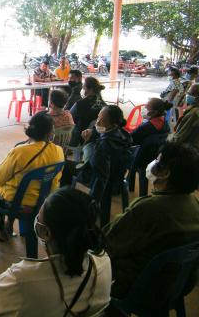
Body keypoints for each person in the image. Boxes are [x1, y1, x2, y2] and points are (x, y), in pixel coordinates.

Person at [0, 187, 112, 317]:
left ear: (47, 233)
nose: (36, 220)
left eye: (39, 219)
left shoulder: (22, 278)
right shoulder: (103, 262)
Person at [104, 142, 199, 298]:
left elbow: (108, 241)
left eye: (158, 160)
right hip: (178, 284)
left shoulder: (148, 208)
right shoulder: (195, 204)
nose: (153, 164)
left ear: (166, 172)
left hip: (139, 286)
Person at [0, 112, 64, 241]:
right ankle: (9, 225)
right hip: (42, 201)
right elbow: (55, 181)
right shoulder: (58, 151)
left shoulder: (19, 151)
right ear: (50, 132)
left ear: (30, 129)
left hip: (18, 204)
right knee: (16, 187)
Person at [79, 105, 133, 226]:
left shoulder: (102, 147)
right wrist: (94, 133)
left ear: (112, 124)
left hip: (102, 180)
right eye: (98, 117)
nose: (97, 121)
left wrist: (93, 202)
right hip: (118, 175)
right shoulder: (124, 134)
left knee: (67, 169)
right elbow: (107, 136)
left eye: (101, 119)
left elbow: (100, 178)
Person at [69, 77, 106, 147]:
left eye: (84, 86)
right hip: (98, 137)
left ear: (90, 89)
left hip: (80, 138)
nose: (82, 88)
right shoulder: (104, 106)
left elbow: (69, 119)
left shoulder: (79, 104)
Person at [169, 83, 199, 148]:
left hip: (187, 148)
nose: (187, 95)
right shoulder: (193, 108)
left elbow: (180, 135)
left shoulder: (194, 113)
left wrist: (169, 141)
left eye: (190, 94)